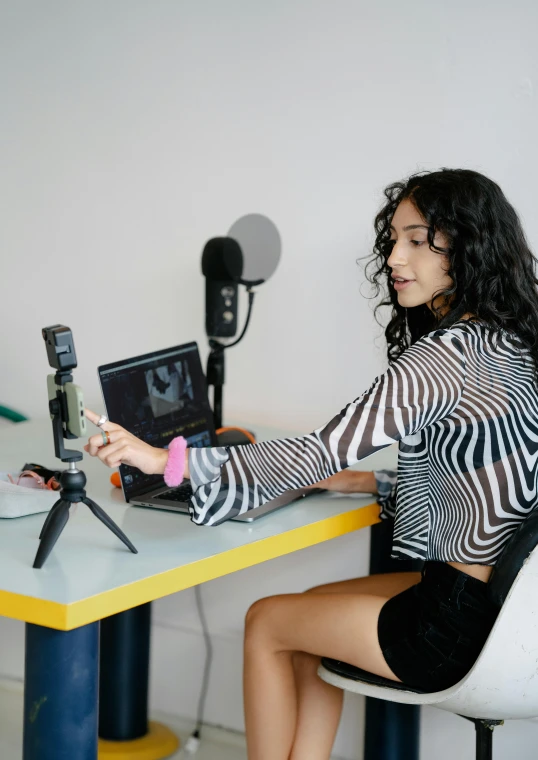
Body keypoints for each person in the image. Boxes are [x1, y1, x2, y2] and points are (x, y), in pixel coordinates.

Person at [85, 168, 538, 760]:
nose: (396, 258)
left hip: (452, 626)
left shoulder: (442, 358)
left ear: (468, 245)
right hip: (506, 610)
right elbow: (487, 473)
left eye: (417, 240)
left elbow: (313, 452)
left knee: (267, 623)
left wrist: (160, 459)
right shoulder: (512, 341)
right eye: (393, 240)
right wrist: (363, 482)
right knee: (305, 623)